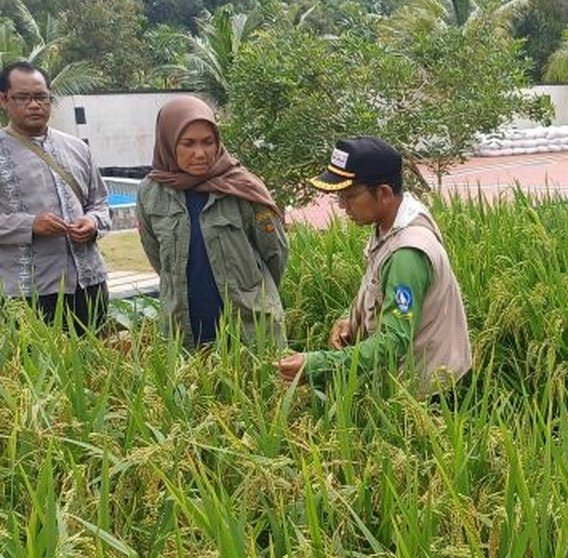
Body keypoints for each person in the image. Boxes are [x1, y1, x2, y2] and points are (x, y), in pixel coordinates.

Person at [276, 137, 472, 393]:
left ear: (384, 193)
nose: (342, 206)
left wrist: (318, 365)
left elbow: (393, 341)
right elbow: (378, 289)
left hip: (427, 393)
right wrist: (351, 319)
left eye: (350, 196)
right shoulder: (392, 222)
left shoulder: (407, 254)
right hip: (404, 380)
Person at [137, 96, 288, 347]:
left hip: (250, 330)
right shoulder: (151, 193)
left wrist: (255, 294)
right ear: (168, 142)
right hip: (184, 335)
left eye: (208, 142)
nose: (200, 153)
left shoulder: (244, 188)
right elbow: (158, 258)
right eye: (188, 143)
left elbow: (274, 253)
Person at [0, 61, 111, 333]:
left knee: (95, 357)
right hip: (27, 293)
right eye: (23, 98)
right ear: (3, 100)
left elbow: (100, 204)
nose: (34, 105)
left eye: (41, 97)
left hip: (89, 283)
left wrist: (92, 222)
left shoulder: (77, 148)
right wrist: (30, 225)